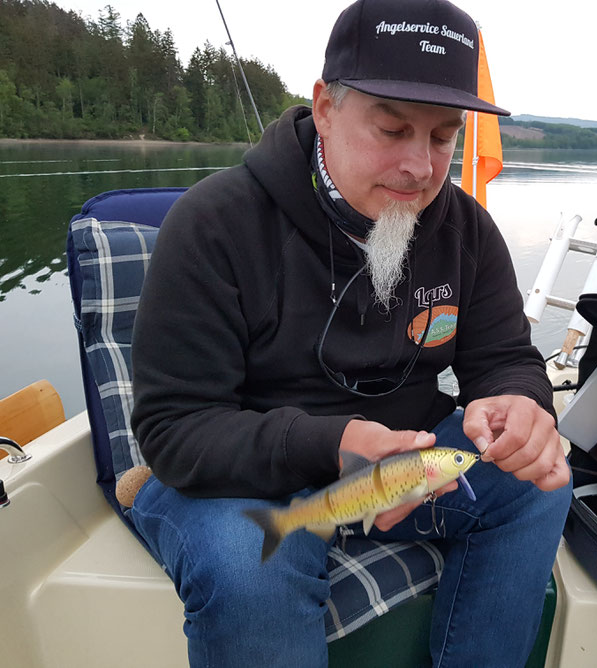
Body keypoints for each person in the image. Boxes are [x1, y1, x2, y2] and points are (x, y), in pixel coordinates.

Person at [129, 0, 571, 665]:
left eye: (443, 136)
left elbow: (505, 357)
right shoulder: (214, 225)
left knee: (542, 480)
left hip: (409, 465)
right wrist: (334, 443)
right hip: (244, 476)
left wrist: (519, 404)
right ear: (326, 108)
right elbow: (174, 428)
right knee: (249, 569)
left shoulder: (465, 231)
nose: (421, 167)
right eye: (392, 130)